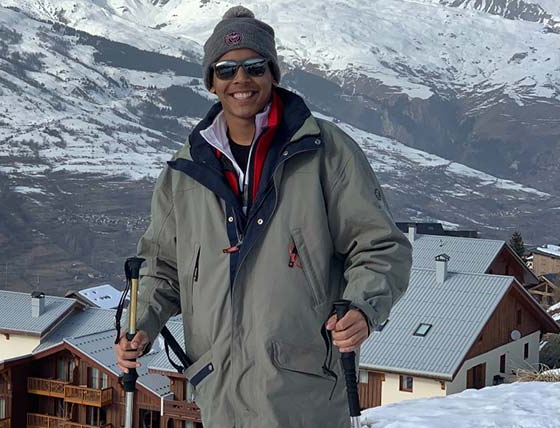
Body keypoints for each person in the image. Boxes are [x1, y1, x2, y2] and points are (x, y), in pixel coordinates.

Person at [114, 6, 412, 427]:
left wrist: (364, 307)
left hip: (305, 396)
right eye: (225, 69)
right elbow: (161, 269)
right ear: (211, 82)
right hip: (219, 397)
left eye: (254, 66)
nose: (240, 79)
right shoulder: (184, 174)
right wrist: (140, 325)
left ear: (272, 73)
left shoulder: (325, 152)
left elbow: (380, 245)